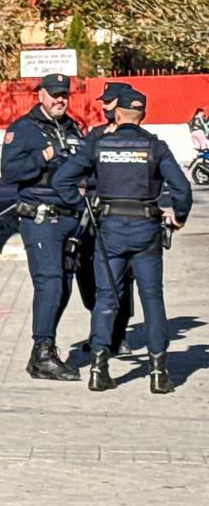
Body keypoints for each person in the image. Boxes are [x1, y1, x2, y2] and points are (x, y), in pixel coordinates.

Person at [54, 89, 193, 393]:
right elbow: (182, 190)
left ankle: (99, 369)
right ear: (144, 115)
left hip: (110, 231)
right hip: (146, 230)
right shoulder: (155, 147)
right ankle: (158, 373)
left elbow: (61, 180)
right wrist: (178, 217)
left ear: (117, 115)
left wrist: (85, 207)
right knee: (152, 298)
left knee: (106, 298)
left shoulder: (100, 145)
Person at [0, 73, 85, 381]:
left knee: (62, 284)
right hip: (41, 217)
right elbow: (10, 172)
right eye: (54, 94)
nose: (60, 99)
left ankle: (44, 349)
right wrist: (44, 156)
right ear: (41, 96)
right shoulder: (23, 130)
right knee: (49, 281)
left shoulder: (73, 128)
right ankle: (43, 353)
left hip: (70, 217)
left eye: (64, 94)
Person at [77, 83, 136, 356]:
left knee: (124, 279)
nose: (104, 107)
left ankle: (119, 334)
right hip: (97, 216)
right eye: (104, 102)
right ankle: (98, 331)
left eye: (110, 102)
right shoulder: (96, 136)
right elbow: (81, 170)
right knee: (92, 277)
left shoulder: (140, 137)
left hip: (127, 218)